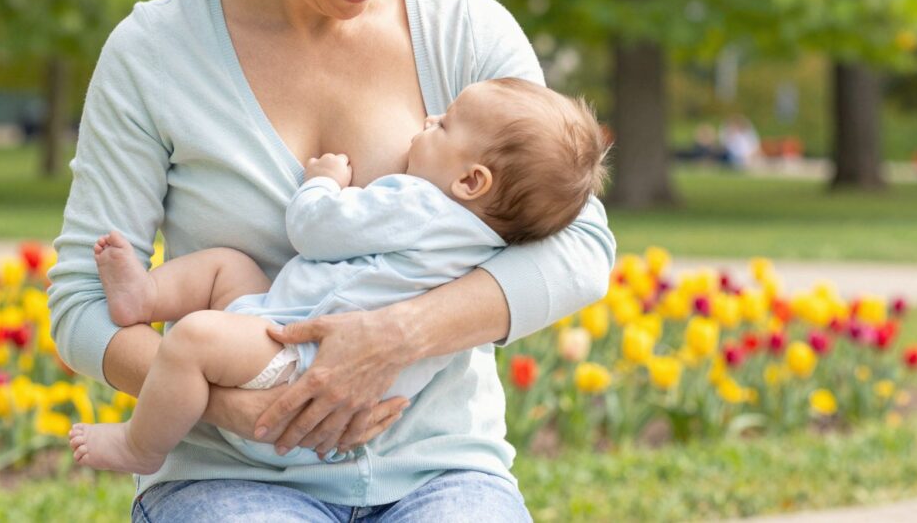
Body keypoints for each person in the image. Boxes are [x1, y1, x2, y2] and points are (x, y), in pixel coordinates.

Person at [47, 0, 615, 522]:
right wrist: (228, 405)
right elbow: (82, 307)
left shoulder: (466, 34)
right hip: (229, 479)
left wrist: (395, 336)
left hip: (440, 474)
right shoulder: (154, 54)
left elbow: (580, 250)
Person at [67, 77, 608, 476]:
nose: (427, 119)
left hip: (291, 363)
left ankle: (142, 445)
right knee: (232, 271)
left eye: (443, 125)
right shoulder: (487, 241)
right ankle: (142, 295)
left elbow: (316, 230)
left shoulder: (418, 202)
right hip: (295, 343)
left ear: (470, 180)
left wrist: (324, 182)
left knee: (191, 338)